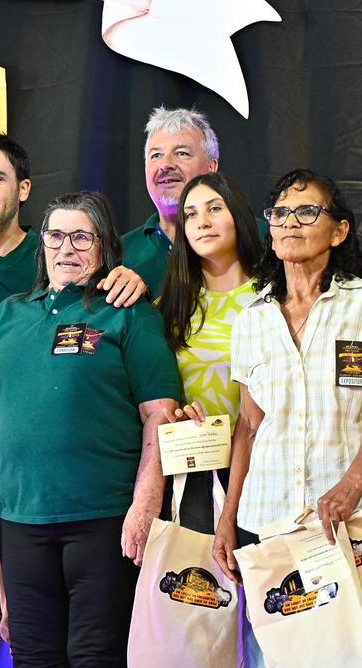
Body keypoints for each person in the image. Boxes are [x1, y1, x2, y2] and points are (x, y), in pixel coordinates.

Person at [0, 132, 144, 667]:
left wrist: (128, 278)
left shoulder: (61, 258)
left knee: (26, 629)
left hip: (39, 487)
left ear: (24, 189)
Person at [0, 190, 182, 666]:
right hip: (20, 521)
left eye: (81, 237)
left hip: (105, 520)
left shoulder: (129, 313)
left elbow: (160, 414)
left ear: (105, 246)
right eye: (55, 236)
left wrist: (145, 506)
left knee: (96, 657)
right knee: (32, 655)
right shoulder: (9, 314)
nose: (66, 249)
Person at [211, 170, 362, 593]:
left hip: (357, 516)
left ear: (339, 232)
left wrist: (351, 485)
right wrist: (228, 516)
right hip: (266, 517)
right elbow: (249, 426)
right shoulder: (251, 319)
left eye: (307, 212)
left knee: (360, 635)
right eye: (280, 213)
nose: (290, 222)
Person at [157, 172, 263, 532]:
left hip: (264, 471)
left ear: (238, 216)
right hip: (195, 472)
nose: (202, 222)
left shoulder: (273, 299)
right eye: (190, 214)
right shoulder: (169, 306)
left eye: (214, 209)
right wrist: (176, 415)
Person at [121, 107, 221, 295]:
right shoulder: (119, 254)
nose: (165, 165)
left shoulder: (255, 236)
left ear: (211, 167)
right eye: (156, 155)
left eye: (182, 153)